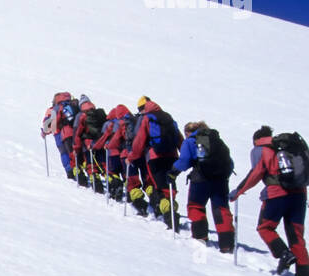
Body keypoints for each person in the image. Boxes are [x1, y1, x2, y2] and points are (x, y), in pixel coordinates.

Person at [231, 127, 309, 276]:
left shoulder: (260, 149)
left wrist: (238, 191)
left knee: (265, 227)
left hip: (277, 195)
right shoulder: (288, 147)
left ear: (256, 140)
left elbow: (256, 173)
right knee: (296, 236)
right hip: (300, 195)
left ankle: (284, 254)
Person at [167, 121, 235, 253]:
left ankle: (200, 237)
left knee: (195, 206)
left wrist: (172, 173)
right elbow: (230, 163)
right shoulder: (216, 140)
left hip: (200, 180)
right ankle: (227, 243)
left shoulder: (190, 141)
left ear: (188, 132)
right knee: (221, 209)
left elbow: (184, 161)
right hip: (221, 181)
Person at [125, 95, 181, 226]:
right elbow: (178, 137)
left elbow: (139, 142)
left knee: (160, 187)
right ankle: (169, 210)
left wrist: (132, 156)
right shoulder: (168, 117)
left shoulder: (146, 119)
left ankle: (169, 216)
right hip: (172, 156)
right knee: (170, 186)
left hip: (155, 157)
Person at [93, 104, 131, 200]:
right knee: (125, 174)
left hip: (112, 152)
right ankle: (130, 193)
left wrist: (98, 146)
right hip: (123, 153)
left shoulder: (108, 124)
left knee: (112, 172)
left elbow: (103, 138)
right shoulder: (125, 122)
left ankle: (115, 188)